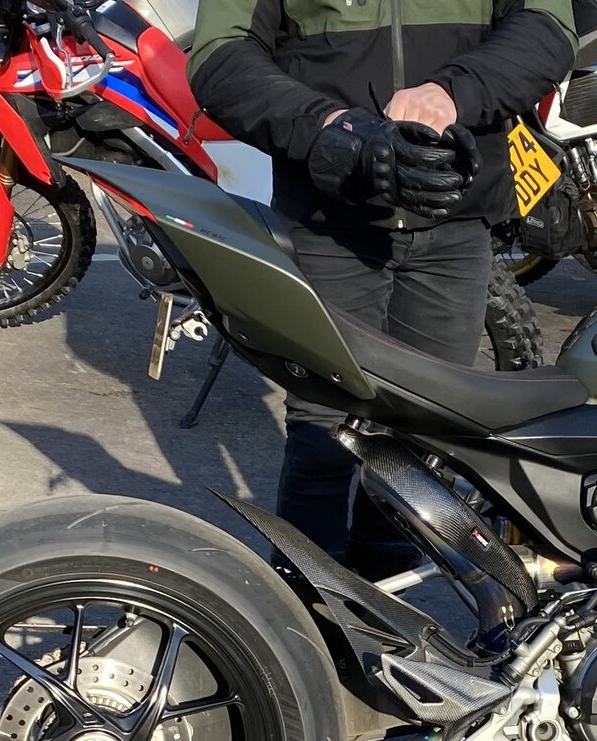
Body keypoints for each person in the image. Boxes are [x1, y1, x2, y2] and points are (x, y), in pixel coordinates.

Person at [187, 0, 575, 579]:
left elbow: (549, 27)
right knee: (323, 428)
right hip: (329, 216)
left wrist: (451, 94)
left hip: (455, 212)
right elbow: (219, 53)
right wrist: (327, 126)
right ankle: (309, 604)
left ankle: (389, 596)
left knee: (424, 430)